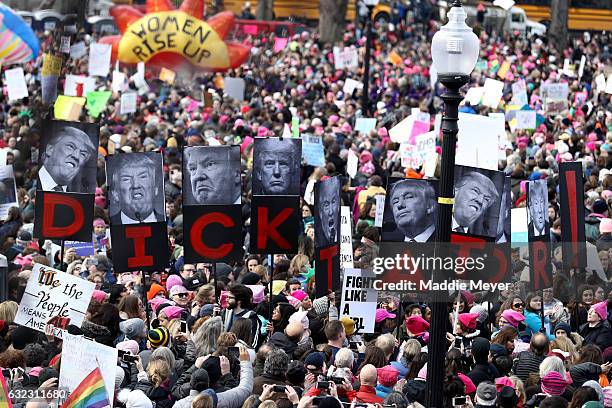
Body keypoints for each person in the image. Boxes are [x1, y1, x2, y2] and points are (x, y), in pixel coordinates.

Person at [37, 125, 97, 193]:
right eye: (70, 146)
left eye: (83, 154)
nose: (76, 156)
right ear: (50, 149)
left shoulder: (76, 199)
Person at [109, 154, 165, 224]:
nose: (136, 185)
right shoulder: (108, 226)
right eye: (126, 179)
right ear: (115, 193)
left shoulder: (168, 224)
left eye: (143, 177)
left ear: (155, 188)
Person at [453, 171, 499, 236]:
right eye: (475, 191)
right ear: (456, 190)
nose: (480, 200)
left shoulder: (485, 236)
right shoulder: (436, 222)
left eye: (486, 199)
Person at [315, 177, 340, 247]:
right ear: (320, 211)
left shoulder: (342, 232)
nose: (331, 212)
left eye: (334, 202)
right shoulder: (316, 239)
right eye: (326, 204)